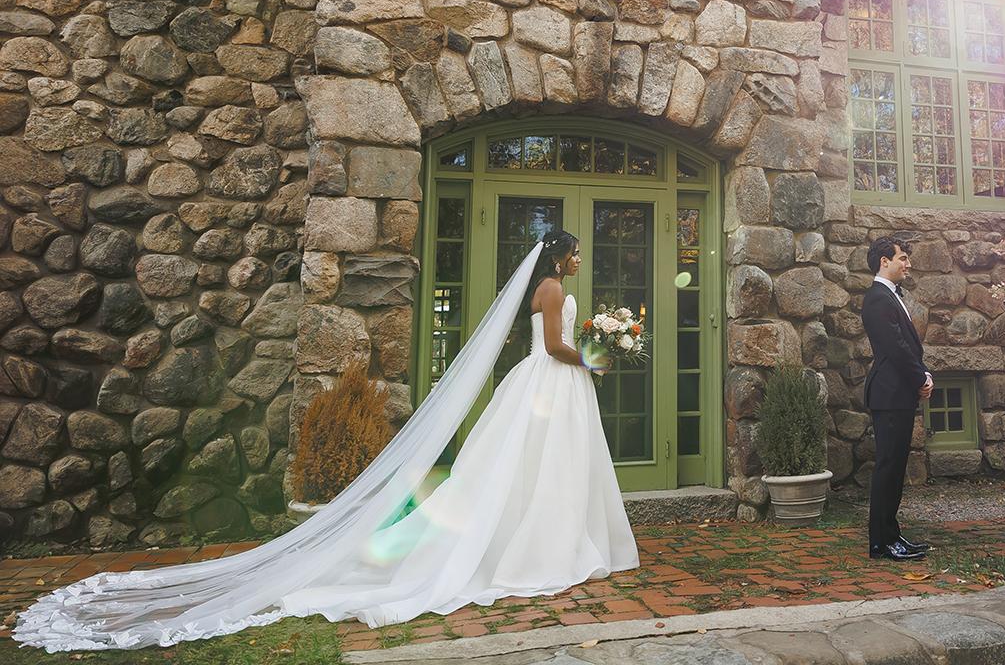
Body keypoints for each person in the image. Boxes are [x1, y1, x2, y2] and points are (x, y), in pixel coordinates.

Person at [15, 231, 638, 652]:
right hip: (553, 380)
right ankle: (537, 547)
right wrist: (597, 357)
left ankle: (548, 536)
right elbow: (557, 345)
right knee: (533, 466)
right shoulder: (552, 289)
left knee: (544, 468)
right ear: (559, 256)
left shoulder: (549, 286)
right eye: (576, 253)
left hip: (552, 387)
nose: (580, 260)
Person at [860, 236, 934, 562]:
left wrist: (922, 374)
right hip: (890, 395)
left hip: (898, 394)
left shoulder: (890, 296)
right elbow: (895, 348)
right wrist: (920, 377)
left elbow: (906, 346)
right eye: (902, 258)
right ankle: (881, 542)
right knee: (888, 469)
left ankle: (892, 535)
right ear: (884, 262)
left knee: (895, 468)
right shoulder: (877, 298)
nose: (908, 264)